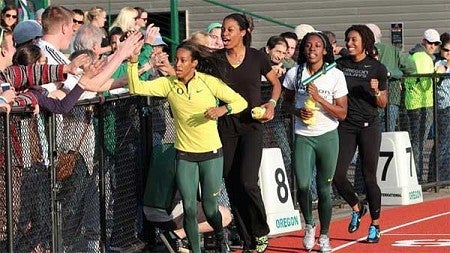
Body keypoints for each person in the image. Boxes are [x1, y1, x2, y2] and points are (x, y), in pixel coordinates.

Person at [127, 40, 248, 253]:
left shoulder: (209, 82)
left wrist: (223, 110)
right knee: (190, 209)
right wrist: (133, 61)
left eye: (183, 60)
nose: (178, 64)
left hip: (211, 154)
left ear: (194, 63)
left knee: (210, 210)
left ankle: (220, 237)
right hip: (184, 155)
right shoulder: (169, 84)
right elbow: (136, 87)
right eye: (177, 60)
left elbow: (241, 102)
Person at [216, 13, 282, 252]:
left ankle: (260, 230)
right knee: (232, 183)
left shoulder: (257, 57)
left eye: (230, 29)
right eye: (223, 29)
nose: (225, 34)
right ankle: (246, 241)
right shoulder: (216, 60)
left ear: (243, 32)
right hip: (226, 128)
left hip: (252, 127)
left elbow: (276, 84)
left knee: (247, 182)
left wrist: (271, 104)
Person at [283, 31, 348, 252]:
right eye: (308, 45)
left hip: (328, 136)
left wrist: (319, 98)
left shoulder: (335, 75)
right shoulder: (294, 73)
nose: (312, 49)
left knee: (323, 188)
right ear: (303, 49)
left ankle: (325, 235)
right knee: (302, 185)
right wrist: (298, 111)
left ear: (325, 50)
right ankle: (309, 225)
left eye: (318, 46)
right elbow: (286, 104)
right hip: (304, 136)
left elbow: (342, 113)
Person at [333, 24, 388, 244]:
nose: (349, 43)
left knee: (368, 177)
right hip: (345, 125)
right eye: (347, 39)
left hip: (369, 127)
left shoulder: (377, 68)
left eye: (354, 40)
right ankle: (357, 207)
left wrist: (376, 91)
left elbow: (383, 103)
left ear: (365, 42)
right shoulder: (340, 65)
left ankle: (375, 225)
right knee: (336, 175)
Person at [404, 28, 440, 183]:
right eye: (430, 43)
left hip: (412, 102)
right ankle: (417, 176)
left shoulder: (412, 54)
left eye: (435, 44)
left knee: (415, 140)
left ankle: (413, 174)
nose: (433, 46)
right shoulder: (424, 58)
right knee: (419, 141)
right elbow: (427, 83)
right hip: (423, 103)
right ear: (424, 42)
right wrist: (438, 73)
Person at [365, 23, 415, 132]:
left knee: (370, 131)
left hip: (369, 98)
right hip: (392, 94)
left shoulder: (363, 51)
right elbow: (411, 67)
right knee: (388, 130)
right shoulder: (393, 50)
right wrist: (396, 73)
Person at [430, 32, 450, 182]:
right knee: (442, 142)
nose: (449, 54)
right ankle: (437, 176)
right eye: (446, 50)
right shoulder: (438, 64)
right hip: (443, 108)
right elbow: (435, 82)